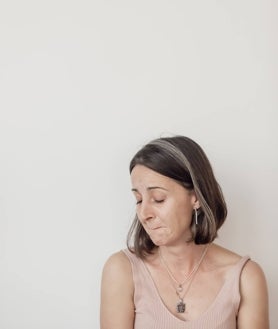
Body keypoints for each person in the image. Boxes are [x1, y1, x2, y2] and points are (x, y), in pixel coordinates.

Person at [100, 135, 269, 329]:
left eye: (158, 198)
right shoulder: (122, 270)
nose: (144, 213)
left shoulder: (245, 278)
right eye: (139, 200)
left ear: (196, 197)